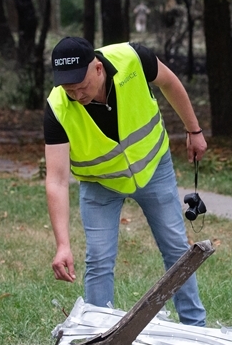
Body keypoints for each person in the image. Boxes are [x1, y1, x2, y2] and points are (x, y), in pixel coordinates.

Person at [44, 36, 208, 325]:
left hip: (153, 167)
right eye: (70, 90)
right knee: (98, 260)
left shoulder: (132, 58)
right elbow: (56, 180)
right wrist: (62, 244)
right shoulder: (57, 106)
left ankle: (195, 326)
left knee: (175, 248)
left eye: (82, 87)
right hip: (100, 185)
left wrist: (193, 130)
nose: (78, 95)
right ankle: (100, 338)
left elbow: (169, 82)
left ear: (97, 68)